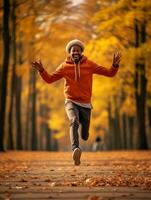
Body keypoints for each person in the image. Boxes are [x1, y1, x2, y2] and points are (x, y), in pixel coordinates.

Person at [31, 39, 121, 166]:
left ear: (81, 52)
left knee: (84, 135)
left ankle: (83, 136)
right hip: (71, 101)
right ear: (70, 53)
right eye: (73, 51)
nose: (75, 53)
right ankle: (75, 149)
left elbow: (109, 73)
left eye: (78, 50)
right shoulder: (64, 66)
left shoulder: (89, 64)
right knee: (73, 120)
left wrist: (115, 65)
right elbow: (50, 79)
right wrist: (42, 70)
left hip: (85, 104)